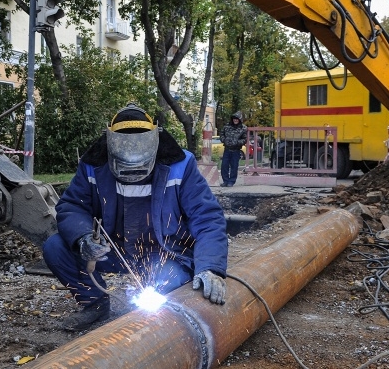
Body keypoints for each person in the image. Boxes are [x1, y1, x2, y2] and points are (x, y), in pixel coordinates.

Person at [42, 103, 228, 331]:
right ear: (110, 144)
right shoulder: (94, 165)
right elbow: (71, 206)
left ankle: (164, 321)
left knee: (168, 285)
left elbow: (207, 218)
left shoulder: (180, 164)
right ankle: (95, 303)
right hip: (115, 250)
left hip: (164, 254)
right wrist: (83, 238)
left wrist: (210, 267)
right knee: (55, 246)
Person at [220, 111, 247, 187]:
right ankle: (225, 181)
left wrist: (237, 142)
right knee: (224, 166)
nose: (235, 120)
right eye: (234, 119)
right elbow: (221, 134)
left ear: (240, 120)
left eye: (237, 119)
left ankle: (231, 181)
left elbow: (245, 139)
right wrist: (224, 140)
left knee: (234, 167)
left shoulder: (243, 128)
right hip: (227, 149)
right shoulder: (227, 126)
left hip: (236, 150)